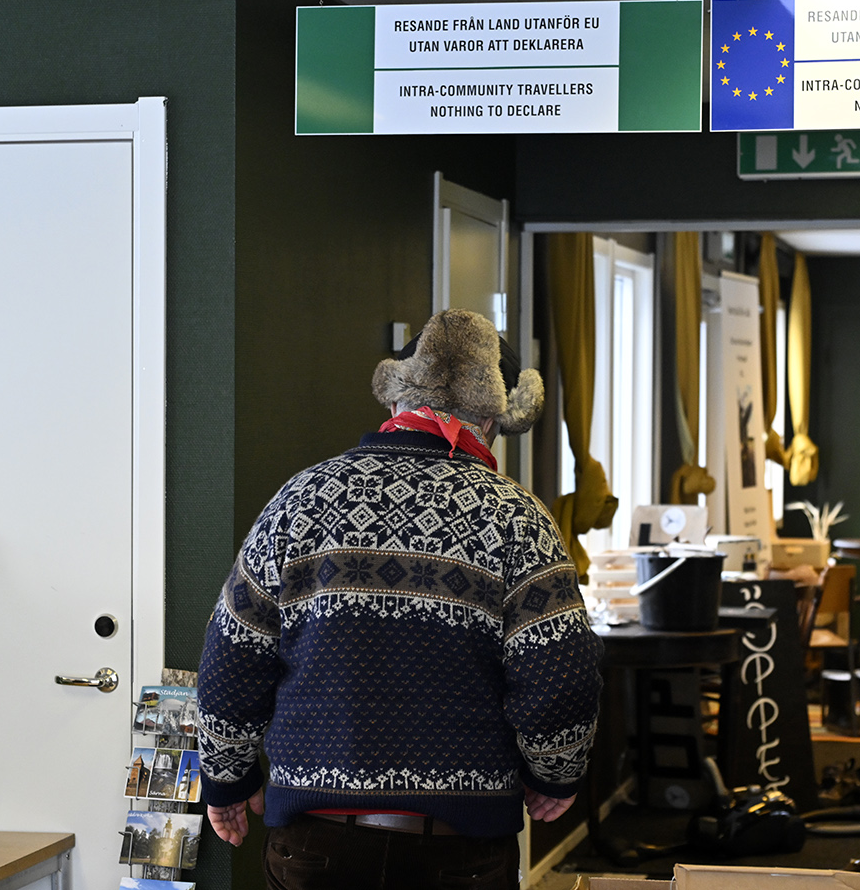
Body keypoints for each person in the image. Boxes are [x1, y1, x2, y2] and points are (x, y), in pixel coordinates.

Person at [197, 309, 604, 889]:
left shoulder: (300, 499)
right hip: (456, 850)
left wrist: (228, 779)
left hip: (316, 843)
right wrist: (554, 774)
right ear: (493, 419)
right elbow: (561, 674)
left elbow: (232, 656)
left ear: (395, 400)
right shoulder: (517, 517)